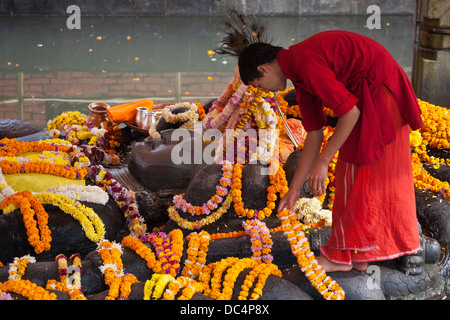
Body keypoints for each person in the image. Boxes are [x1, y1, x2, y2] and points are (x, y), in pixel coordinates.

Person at [237, 30, 424, 272]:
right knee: (352, 171)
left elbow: (350, 113)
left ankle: (343, 256)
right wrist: (294, 191)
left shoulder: (304, 62)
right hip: (365, 94)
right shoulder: (298, 75)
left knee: (362, 172)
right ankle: (357, 254)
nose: (264, 91)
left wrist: (324, 161)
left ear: (263, 69)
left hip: (381, 88)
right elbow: (314, 134)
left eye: (257, 85)